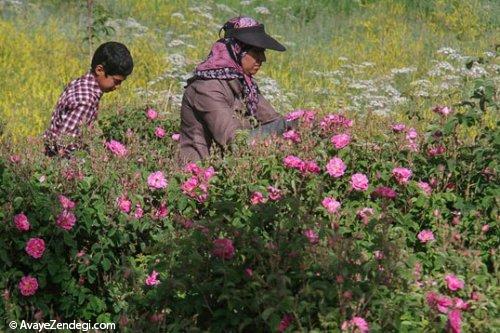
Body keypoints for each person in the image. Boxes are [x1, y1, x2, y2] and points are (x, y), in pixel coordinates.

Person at [179, 16, 288, 164]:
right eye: (256, 52)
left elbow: (273, 120)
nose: (263, 59)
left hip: (228, 171)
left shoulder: (245, 84)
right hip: (198, 176)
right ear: (237, 51)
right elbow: (234, 140)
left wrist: (299, 125)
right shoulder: (206, 88)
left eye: (263, 52)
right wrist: (285, 128)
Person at [44, 41, 133, 157]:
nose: (118, 86)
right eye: (116, 81)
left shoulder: (81, 84)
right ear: (99, 70)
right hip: (62, 162)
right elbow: (64, 144)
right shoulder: (87, 100)